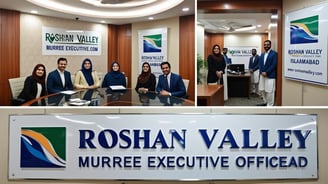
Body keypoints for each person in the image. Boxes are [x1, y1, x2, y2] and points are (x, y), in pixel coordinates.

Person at [258, 40, 278, 106]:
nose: (266, 46)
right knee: (262, 90)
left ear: (270, 45)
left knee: (270, 91)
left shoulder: (274, 54)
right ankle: (266, 102)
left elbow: (274, 64)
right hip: (262, 76)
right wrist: (261, 72)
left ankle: (270, 105)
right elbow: (260, 64)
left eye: (267, 44)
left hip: (270, 76)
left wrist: (266, 72)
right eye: (265, 44)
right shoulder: (262, 54)